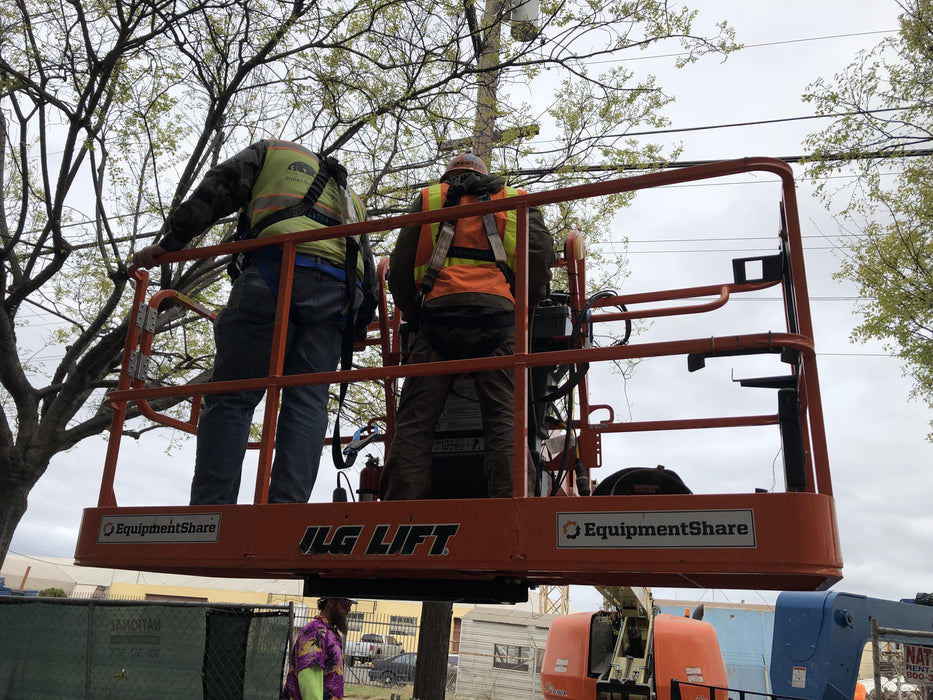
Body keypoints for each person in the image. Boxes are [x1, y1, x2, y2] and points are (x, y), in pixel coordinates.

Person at [132, 139, 376, 505]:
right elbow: (368, 268)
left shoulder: (273, 152)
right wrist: (356, 328)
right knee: (308, 400)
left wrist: (173, 241)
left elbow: (221, 186)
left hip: (275, 271)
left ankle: (212, 511)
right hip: (340, 295)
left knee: (232, 395)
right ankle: (286, 510)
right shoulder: (349, 196)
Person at [381, 153, 555, 500]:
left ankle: (398, 512)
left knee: (415, 423)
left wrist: (414, 315)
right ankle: (514, 507)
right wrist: (524, 309)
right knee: (506, 421)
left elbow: (398, 271)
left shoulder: (428, 199)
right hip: (498, 320)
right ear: (485, 174)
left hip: (437, 320)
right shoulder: (516, 200)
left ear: (448, 176)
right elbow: (538, 259)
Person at [282, 596, 355, 700]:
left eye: (350, 605)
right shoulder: (315, 631)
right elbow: (310, 684)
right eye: (344, 604)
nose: (348, 610)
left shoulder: (331, 633)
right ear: (330, 601)